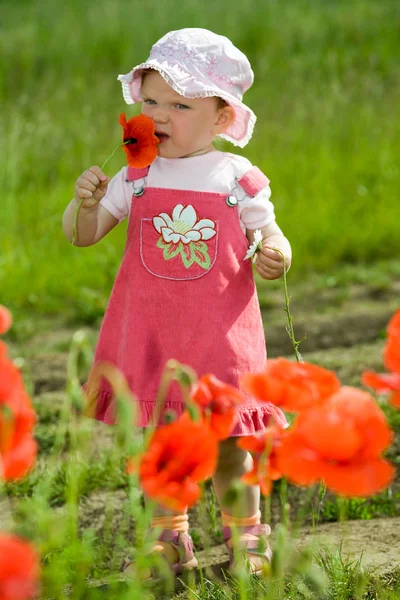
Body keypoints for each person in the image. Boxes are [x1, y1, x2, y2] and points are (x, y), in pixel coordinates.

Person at [62, 28, 292, 579]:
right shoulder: (136, 175)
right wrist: (82, 203)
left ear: (220, 117)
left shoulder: (236, 178)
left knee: (231, 447)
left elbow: (273, 235)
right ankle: (170, 538)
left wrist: (277, 254)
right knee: (165, 448)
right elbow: (82, 234)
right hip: (154, 340)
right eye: (150, 101)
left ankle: (247, 535)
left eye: (179, 104)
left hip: (220, 342)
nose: (159, 114)